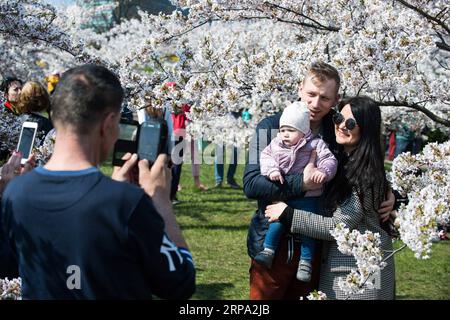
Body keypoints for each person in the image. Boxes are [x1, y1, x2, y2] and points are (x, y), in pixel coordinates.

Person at [0, 64, 195, 299]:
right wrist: (160, 202)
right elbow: (179, 283)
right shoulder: (126, 203)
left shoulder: (16, 192)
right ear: (108, 124)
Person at [243, 61, 395, 300]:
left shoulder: (335, 130)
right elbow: (251, 184)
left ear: (335, 101)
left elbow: (361, 168)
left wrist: (391, 192)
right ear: (300, 89)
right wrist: (301, 183)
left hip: (315, 246)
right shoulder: (270, 127)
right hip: (272, 241)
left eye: (324, 98)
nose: (315, 104)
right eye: (311, 94)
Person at [255, 101, 337, 282]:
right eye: (282, 129)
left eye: (290, 130)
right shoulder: (276, 145)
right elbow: (266, 157)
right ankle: (268, 250)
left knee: (307, 229)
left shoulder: (315, 144)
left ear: (304, 131)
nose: (284, 134)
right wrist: (273, 171)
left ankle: (305, 262)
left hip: (309, 198)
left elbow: (329, 160)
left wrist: (323, 172)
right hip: (285, 196)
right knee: (277, 222)